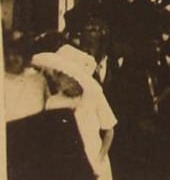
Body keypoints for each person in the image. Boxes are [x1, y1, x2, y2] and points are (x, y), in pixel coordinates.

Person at [33, 44, 118, 180]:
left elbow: (109, 130)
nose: (57, 78)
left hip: (94, 158)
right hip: (68, 163)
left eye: (61, 74)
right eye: (56, 73)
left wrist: (98, 160)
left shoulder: (93, 93)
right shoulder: (53, 101)